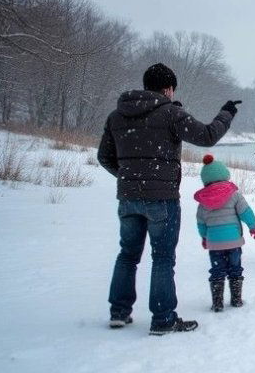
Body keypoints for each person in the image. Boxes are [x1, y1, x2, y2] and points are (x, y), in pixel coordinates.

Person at [97, 62, 240, 335]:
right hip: (161, 199)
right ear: (168, 88)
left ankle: (119, 311)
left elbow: (104, 157)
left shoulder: (117, 116)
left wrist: (129, 177)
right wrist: (226, 113)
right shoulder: (170, 113)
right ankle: (162, 318)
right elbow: (208, 136)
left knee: (128, 255)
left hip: (128, 199)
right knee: (162, 257)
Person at [195, 154, 255, 312]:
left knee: (217, 270)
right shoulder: (234, 194)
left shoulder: (203, 200)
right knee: (235, 268)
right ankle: (236, 299)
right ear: (224, 175)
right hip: (233, 241)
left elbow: (201, 222)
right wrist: (253, 226)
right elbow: (246, 212)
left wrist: (204, 237)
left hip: (214, 243)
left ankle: (217, 303)